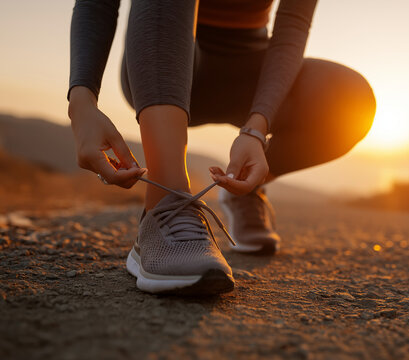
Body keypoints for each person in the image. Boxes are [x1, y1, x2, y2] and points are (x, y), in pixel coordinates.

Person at [68, 0, 376, 295]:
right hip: (161, 56)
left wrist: (257, 128)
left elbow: (292, 25)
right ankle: (166, 201)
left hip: (250, 72)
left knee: (353, 101)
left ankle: (243, 184)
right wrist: (81, 103)